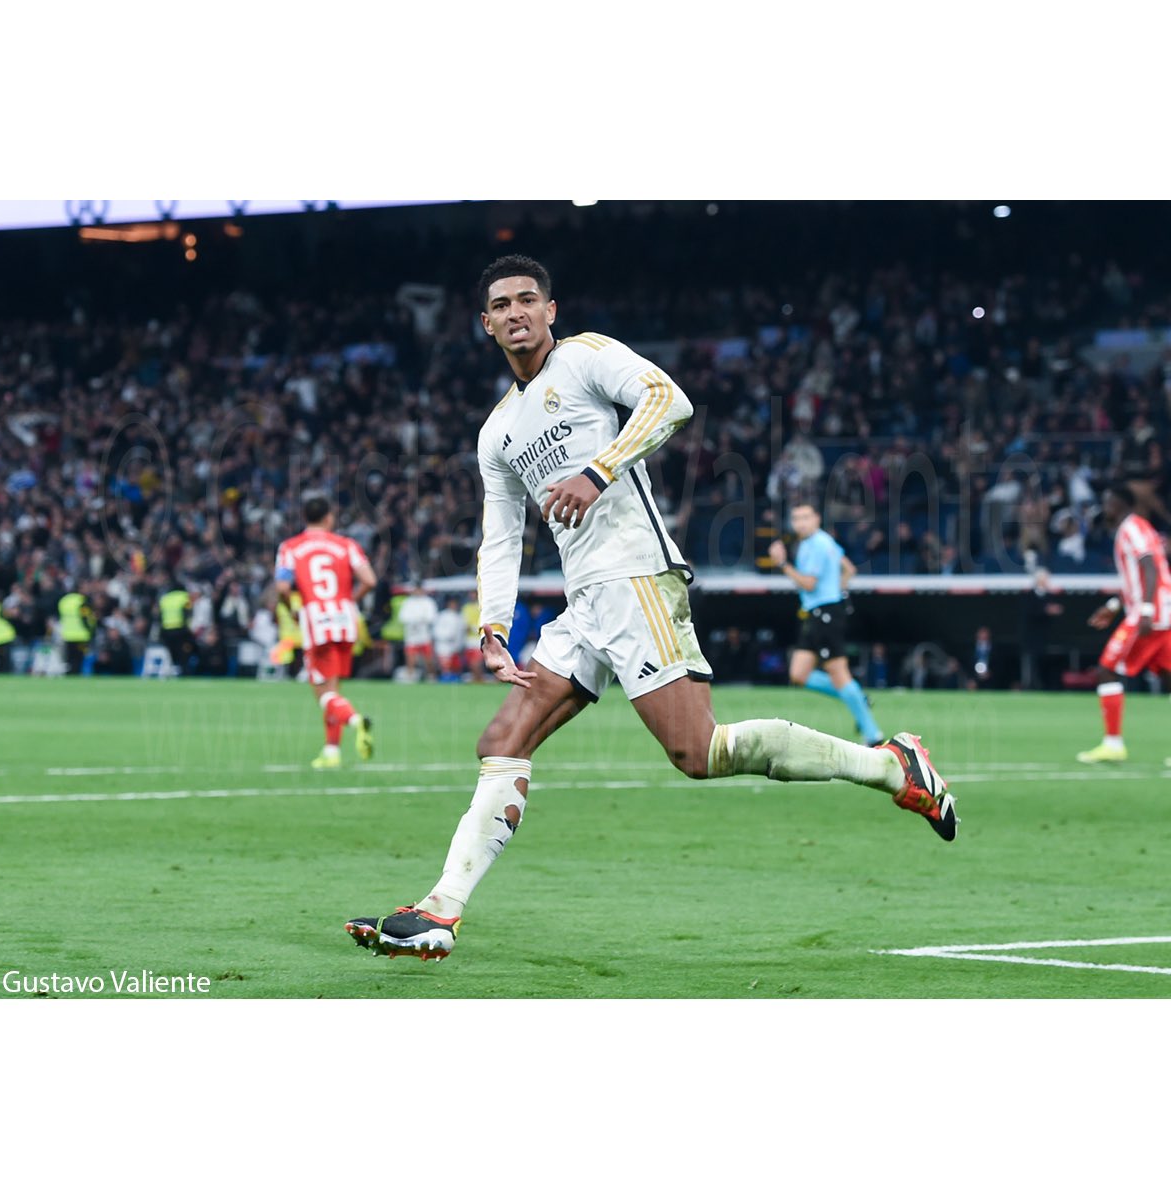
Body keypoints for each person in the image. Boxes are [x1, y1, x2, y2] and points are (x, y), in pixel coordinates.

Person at [346, 254, 957, 962]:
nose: (515, 312)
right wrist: (493, 626)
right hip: (584, 605)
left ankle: (891, 766)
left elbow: (670, 400)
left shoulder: (585, 359)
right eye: (502, 306)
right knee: (501, 743)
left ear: (550, 310)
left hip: (636, 578)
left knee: (698, 752)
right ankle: (439, 911)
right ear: (485, 325)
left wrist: (597, 471)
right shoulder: (497, 432)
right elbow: (501, 533)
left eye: (527, 300)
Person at [274, 495, 377, 769]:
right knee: (334, 689)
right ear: (329, 517)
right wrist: (349, 600)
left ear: (305, 517)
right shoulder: (346, 545)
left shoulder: (291, 547)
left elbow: (283, 588)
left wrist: (292, 608)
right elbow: (369, 579)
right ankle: (331, 752)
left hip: (316, 622)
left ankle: (356, 721)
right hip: (345, 619)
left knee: (324, 694)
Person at [768, 504, 884, 746]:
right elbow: (849, 569)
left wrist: (782, 564)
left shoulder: (815, 545)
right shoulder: (825, 541)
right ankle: (857, 696)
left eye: (805, 518)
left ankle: (873, 734)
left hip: (825, 613)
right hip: (819, 612)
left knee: (838, 672)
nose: (800, 523)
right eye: (796, 518)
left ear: (817, 519)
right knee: (798, 674)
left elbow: (808, 584)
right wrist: (836, 591)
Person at [1076, 482, 1171, 763]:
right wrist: (1114, 605)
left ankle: (1113, 744)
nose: (1105, 508)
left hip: (1151, 616)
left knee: (1107, 670)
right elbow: (1138, 575)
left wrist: (1143, 609)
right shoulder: (1137, 528)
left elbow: (1149, 566)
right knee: (1168, 680)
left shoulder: (1132, 528)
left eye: (1108, 502)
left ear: (1121, 504)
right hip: (1162, 612)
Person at [398, 582, 438, 681]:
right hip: (411, 635)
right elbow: (402, 617)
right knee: (410, 657)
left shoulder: (428, 602)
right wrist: (414, 621)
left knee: (428, 658)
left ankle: (431, 676)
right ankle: (410, 676)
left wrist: (420, 620)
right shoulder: (408, 602)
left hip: (424, 635)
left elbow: (432, 617)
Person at [57, 583, 95, 675]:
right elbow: (85, 617)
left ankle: (69, 677)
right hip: (81, 636)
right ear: (80, 589)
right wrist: (91, 630)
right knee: (78, 659)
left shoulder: (64, 601)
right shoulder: (82, 601)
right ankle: (76, 676)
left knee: (69, 659)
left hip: (67, 635)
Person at [433, 595, 466, 681]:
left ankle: (454, 679)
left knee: (455, 666)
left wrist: (460, 645)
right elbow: (436, 631)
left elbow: (461, 633)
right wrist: (447, 636)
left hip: (456, 647)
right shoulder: (442, 615)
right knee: (445, 665)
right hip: (444, 645)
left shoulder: (459, 617)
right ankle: (444, 678)